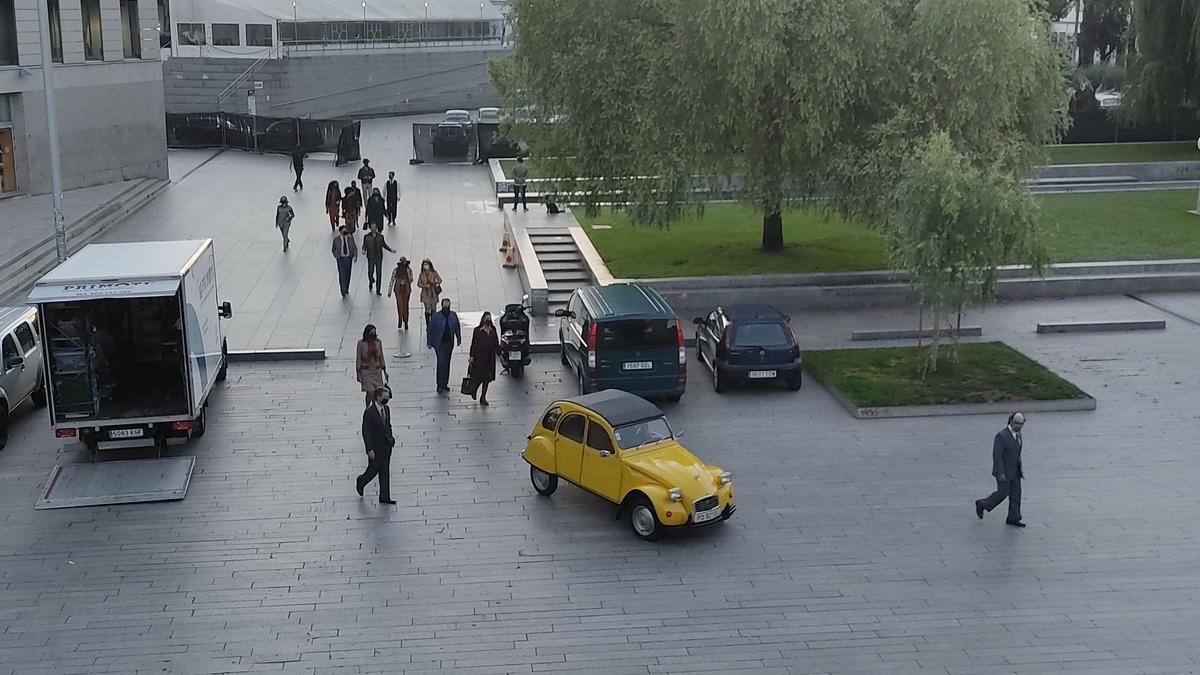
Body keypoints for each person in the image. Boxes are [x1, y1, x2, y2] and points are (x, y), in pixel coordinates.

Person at [975, 412, 1027, 527]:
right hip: (1004, 472)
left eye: (1021, 424)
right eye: (1016, 423)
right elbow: (996, 455)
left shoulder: (1018, 435)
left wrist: (1020, 469)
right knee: (1002, 494)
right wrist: (1000, 472)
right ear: (1010, 421)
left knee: (1016, 494)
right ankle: (982, 504)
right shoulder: (1002, 436)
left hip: (1015, 471)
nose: (1018, 426)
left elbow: (1017, 454)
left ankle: (1014, 517)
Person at [355, 386, 396, 505]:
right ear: (378, 397)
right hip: (375, 448)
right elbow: (366, 432)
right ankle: (361, 481)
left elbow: (388, 425)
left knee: (385, 471)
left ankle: (385, 496)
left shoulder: (386, 409)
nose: (387, 400)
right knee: (373, 470)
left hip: (386, 446)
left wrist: (391, 439)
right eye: (385, 397)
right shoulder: (369, 412)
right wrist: (369, 449)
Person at [426, 298, 461, 393]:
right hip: (439, 344)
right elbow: (430, 329)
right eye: (445, 306)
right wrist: (429, 341)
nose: (446, 307)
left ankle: (445, 383)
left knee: (447, 364)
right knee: (441, 363)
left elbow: (457, 326)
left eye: (448, 306)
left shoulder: (453, 315)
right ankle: (439, 384)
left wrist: (458, 338)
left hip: (449, 343)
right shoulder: (436, 316)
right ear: (442, 306)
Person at [467, 312, 500, 406]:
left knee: (487, 379)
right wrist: (472, 356)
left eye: (490, 318)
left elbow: (496, 342)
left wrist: (498, 351)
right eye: (487, 318)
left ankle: (483, 397)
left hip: (490, 359)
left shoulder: (493, 329)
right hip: (480, 358)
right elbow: (473, 344)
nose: (488, 320)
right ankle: (474, 390)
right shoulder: (477, 331)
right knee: (479, 377)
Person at [356, 324, 388, 406]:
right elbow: (358, 358)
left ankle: (375, 407)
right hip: (366, 371)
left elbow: (381, 356)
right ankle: (367, 406)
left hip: (376, 371)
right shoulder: (361, 343)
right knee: (370, 392)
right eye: (371, 332)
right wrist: (358, 373)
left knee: (377, 393)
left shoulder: (378, 342)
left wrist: (385, 371)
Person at [361, 223, 396, 295]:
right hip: (370, 257)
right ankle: (371, 281)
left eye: (374, 227)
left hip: (378, 257)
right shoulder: (367, 237)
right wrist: (363, 250)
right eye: (372, 227)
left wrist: (390, 250)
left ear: (376, 228)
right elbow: (364, 245)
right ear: (370, 228)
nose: (373, 228)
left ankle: (378, 290)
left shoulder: (380, 236)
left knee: (379, 273)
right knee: (370, 272)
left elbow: (384, 245)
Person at [387, 256, 414, 330]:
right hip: (398, 289)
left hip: (406, 289)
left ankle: (405, 321)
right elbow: (392, 280)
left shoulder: (408, 270)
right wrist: (389, 290)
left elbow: (411, 279)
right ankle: (400, 320)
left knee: (405, 305)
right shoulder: (396, 270)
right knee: (400, 305)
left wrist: (406, 279)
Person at [332, 225, 358, 297]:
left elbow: (355, 247)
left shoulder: (350, 238)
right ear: (340, 232)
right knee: (342, 275)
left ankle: (346, 288)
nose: (345, 232)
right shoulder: (336, 239)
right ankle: (342, 289)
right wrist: (337, 256)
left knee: (348, 274)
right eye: (343, 231)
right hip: (341, 259)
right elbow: (333, 249)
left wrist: (355, 256)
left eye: (346, 231)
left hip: (348, 259)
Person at [416, 259, 442, 326]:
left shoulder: (434, 272)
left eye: (427, 264)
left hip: (433, 293)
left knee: (434, 309)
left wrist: (434, 283)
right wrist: (425, 286)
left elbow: (440, 280)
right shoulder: (421, 274)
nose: (426, 266)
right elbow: (418, 284)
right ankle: (428, 324)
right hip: (425, 293)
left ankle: (433, 323)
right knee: (427, 309)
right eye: (424, 265)